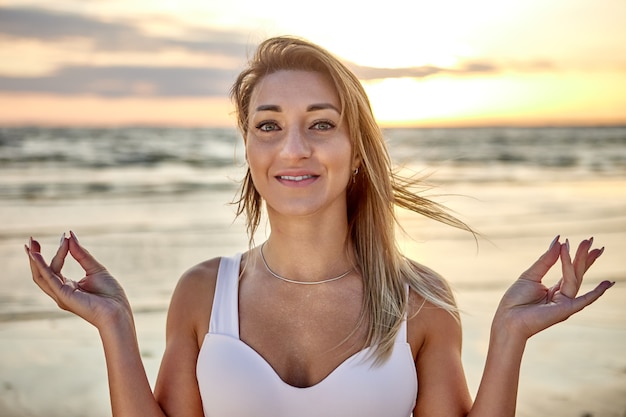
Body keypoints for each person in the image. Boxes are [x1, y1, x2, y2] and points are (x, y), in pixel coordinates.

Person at [25, 36, 614, 417]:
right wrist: (114, 326)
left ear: (356, 149)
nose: (294, 149)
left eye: (322, 124)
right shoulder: (203, 295)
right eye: (269, 126)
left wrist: (509, 337)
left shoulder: (420, 301)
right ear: (249, 149)